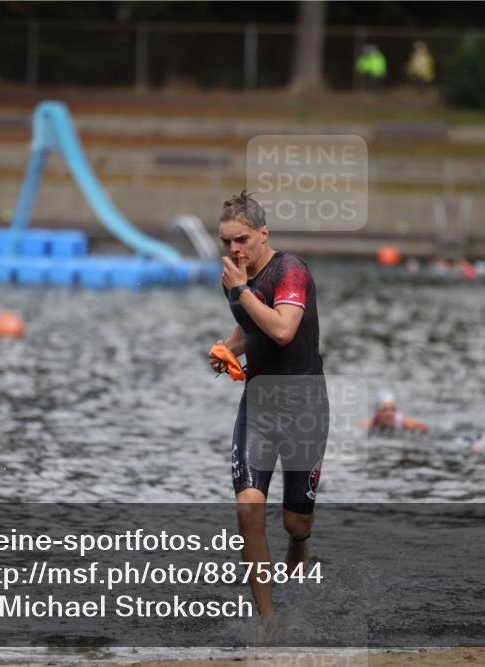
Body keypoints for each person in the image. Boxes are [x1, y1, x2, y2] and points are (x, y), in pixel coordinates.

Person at [207, 190, 328, 633]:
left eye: (241, 239)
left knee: (295, 519)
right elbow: (250, 325)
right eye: (226, 241)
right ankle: (268, 621)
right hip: (259, 406)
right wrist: (228, 348)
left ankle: (299, 541)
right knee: (248, 509)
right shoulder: (236, 278)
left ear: (263, 234)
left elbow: (281, 329)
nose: (234, 249)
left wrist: (240, 290)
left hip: (305, 408)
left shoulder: (290, 270)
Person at [359, 391, 430, 434]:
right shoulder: (370, 423)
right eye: (384, 410)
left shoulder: (404, 422)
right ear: (377, 412)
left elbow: (425, 428)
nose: (389, 414)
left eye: (393, 409)